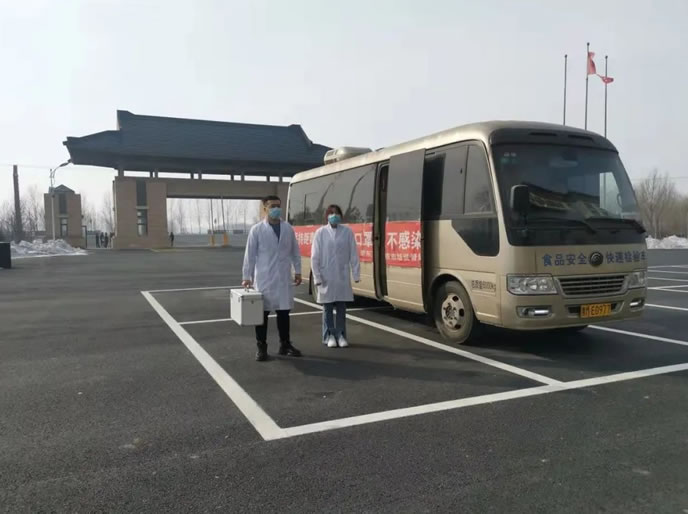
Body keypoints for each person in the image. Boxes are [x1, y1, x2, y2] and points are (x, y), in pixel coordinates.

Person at [242, 195, 303, 362]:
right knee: (261, 315)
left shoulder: (287, 228)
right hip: (265, 279)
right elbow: (250, 255)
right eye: (272, 206)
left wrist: (298, 271)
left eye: (278, 206)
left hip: (283, 278)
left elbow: (295, 251)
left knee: (284, 313)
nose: (276, 209)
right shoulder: (257, 230)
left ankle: (285, 345)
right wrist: (246, 276)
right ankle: (261, 347)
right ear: (265, 209)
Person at [311, 204, 361, 348]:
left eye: (337, 213)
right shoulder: (320, 232)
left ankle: (340, 334)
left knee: (341, 307)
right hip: (326, 275)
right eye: (331, 213)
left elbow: (353, 254)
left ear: (341, 216)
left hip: (341, 275)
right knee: (327, 308)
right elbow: (315, 256)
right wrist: (317, 276)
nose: (334, 215)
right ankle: (329, 335)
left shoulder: (347, 232)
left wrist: (356, 273)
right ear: (327, 216)